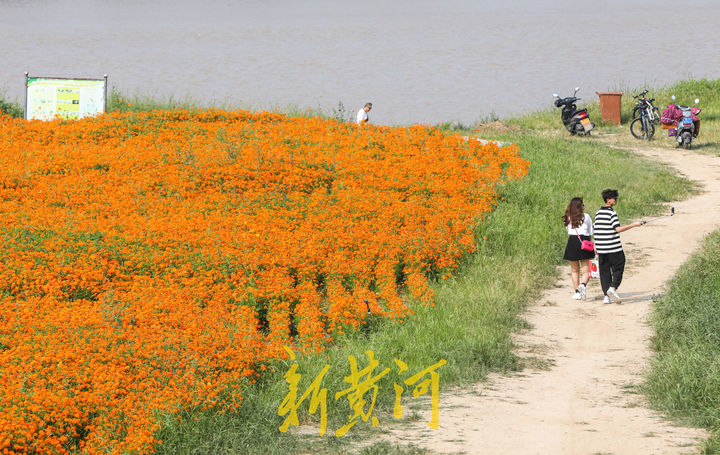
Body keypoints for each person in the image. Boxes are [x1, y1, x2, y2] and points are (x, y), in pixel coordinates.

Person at [593, 189, 643, 304]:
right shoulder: (612, 213)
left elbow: (596, 229)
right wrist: (634, 225)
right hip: (614, 249)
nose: (616, 200)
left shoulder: (598, 213)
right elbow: (618, 229)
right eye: (614, 198)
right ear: (608, 200)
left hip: (601, 249)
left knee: (604, 273)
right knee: (618, 268)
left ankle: (607, 296)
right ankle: (613, 288)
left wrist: (596, 245)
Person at [562, 197, 594, 300]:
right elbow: (590, 232)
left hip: (572, 242)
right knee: (586, 270)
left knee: (574, 270)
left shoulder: (568, 217)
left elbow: (568, 230)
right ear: (580, 207)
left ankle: (577, 292)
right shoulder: (587, 217)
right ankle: (583, 285)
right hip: (584, 242)